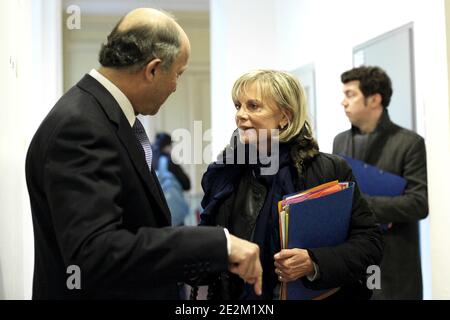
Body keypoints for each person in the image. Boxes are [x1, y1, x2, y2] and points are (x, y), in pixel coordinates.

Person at [25, 8, 262, 299]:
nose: (176, 86)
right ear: (152, 69)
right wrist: (217, 244)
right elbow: (96, 253)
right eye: (177, 74)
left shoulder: (100, 115)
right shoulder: (81, 125)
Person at [198, 69, 383, 300]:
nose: (241, 115)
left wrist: (313, 261)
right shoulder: (226, 172)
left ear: (284, 117)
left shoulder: (328, 170)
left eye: (253, 106)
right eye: (238, 106)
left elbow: (370, 243)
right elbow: (208, 246)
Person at [333, 66, 428, 300]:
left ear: (375, 99)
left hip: (395, 264)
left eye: (350, 94)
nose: (343, 102)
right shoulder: (340, 142)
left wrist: (360, 205)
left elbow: (418, 204)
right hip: (353, 260)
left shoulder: (410, 143)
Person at [152, 132, 191, 226]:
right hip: (174, 216)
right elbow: (187, 184)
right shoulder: (168, 162)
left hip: (156, 217)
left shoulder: (149, 160)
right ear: (167, 146)